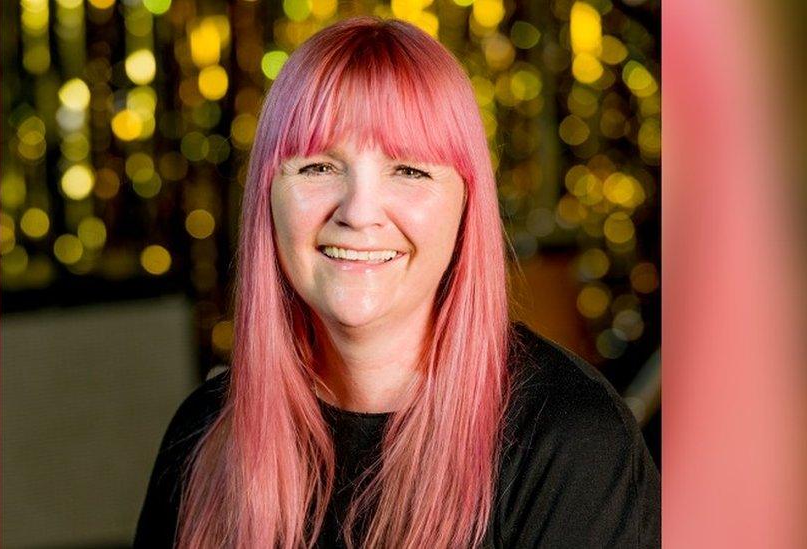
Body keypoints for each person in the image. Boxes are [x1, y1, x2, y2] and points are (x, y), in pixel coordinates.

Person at [134, 16, 660, 549]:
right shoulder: (203, 436)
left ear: (466, 202)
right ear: (268, 197)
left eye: (409, 170)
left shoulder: (571, 443)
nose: (359, 213)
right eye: (318, 167)